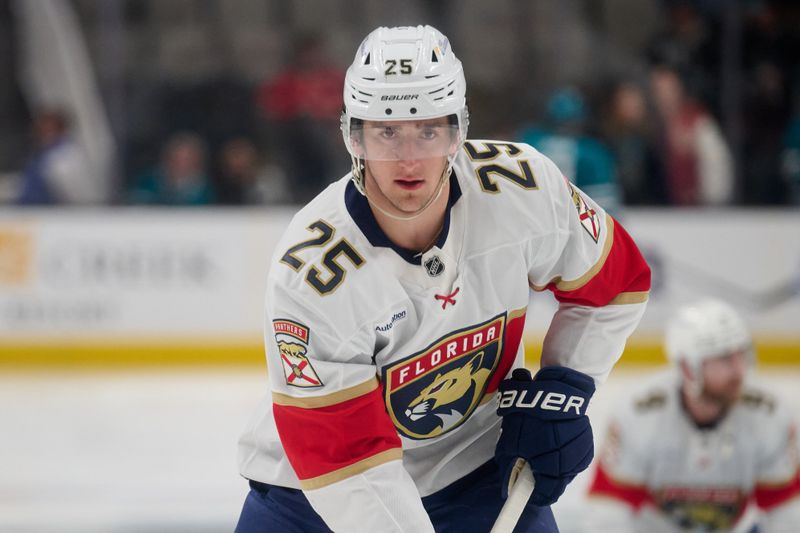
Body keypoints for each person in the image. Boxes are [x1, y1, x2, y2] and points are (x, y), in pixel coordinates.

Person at [236, 25, 650, 533]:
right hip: (312, 499)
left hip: (478, 475)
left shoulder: (522, 188)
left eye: (428, 130)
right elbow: (345, 461)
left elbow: (617, 283)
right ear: (353, 137)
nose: (409, 159)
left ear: (459, 131)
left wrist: (565, 386)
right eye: (387, 132)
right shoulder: (311, 275)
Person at [586, 299, 800, 532]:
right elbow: (609, 512)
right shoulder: (638, 413)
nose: (739, 370)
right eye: (724, 358)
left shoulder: (770, 415)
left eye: (742, 354)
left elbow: (786, 513)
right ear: (688, 367)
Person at [16, 108, 98, 205]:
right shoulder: (42, 155)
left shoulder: (67, 156)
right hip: (31, 210)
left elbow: (76, 196)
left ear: (60, 129)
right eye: (39, 129)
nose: (40, 133)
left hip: (53, 213)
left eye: (47, 129)